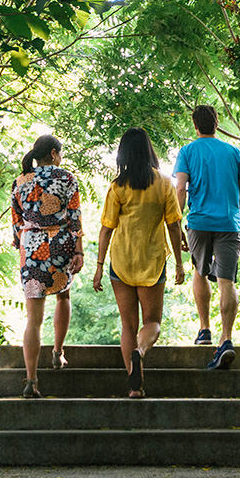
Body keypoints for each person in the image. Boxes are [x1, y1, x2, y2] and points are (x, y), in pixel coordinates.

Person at [92, 128, 186, 398]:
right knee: (152, 322)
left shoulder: (117, 186)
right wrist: (179, 263)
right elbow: (174, 225)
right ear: (149, 150)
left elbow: (106, 229)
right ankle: (140, 351)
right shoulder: (164, 183)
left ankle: (136, 388)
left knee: (127, 326)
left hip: (120, 262)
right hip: (152, 262)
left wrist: (99, 266)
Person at [172, 103, 240, 371]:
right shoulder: (234, 152)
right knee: (227, 282)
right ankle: (226, 339)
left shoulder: (187, 152)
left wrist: (177, 220)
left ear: (195, 125)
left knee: (199, 271)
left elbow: (180, 188)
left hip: (199, 222)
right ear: (216, 123)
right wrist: (228, 213)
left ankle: (204, 329)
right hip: (229, 222)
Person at [10, 133, 84, 399]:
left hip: (30, 246)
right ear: (54, 153)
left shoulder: (20, 182)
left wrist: (26, 246)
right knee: (63, 296)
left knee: (33, 317)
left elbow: (17, 224)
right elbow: (74, 217)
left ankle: (31, 380)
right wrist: (79, 251)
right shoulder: (67, 178)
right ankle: (57, 353)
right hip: (60, 243)